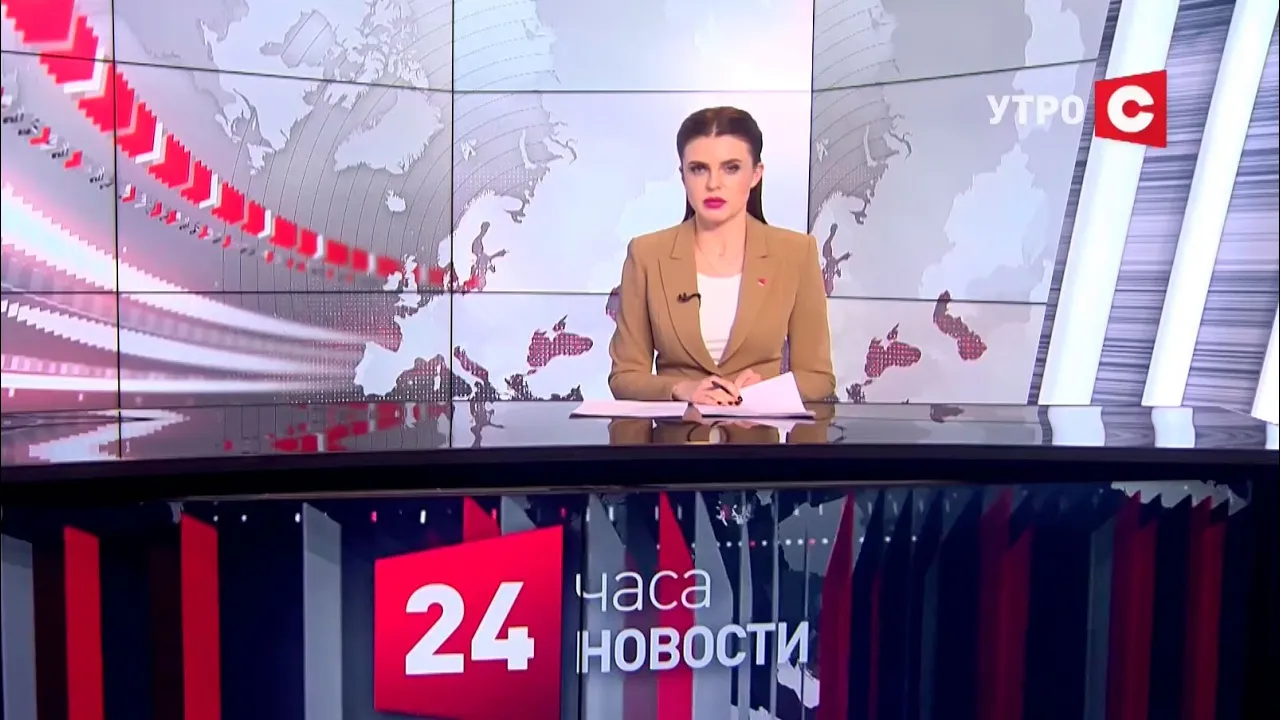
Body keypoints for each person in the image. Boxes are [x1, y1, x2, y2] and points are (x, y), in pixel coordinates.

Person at [608, 106, 835, 405]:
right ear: (683, 176)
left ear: (755, 174)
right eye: (698, 169)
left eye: (731, 168)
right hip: (678, 432)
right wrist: (680, 389)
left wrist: (767, 390)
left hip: (758, 433)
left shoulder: (796, 253)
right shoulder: (647, 254)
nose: (713, 183)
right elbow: (625, 376)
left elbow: (818, 377)